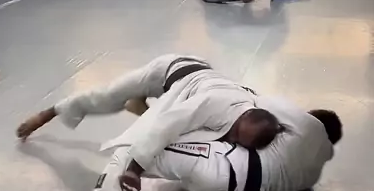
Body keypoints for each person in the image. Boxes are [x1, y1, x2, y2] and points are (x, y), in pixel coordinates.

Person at [39, 98, 342, 191]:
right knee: (205, 136)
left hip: (220, 169)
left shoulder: (305, 124)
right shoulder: (313, 173)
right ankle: (146, 116)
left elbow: (253, 105)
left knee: (135, 148)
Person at [17, 54, 283, 163]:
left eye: (238, 140)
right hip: (166, 71)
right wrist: (134, 168)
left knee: (179, 127)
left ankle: (138, 104)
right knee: (107, 97)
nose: (232, 139)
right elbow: (161, 129)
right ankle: (49, 112)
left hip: (190, 84)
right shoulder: (212, 106)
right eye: (236, 134)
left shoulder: (252, 105)